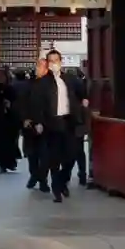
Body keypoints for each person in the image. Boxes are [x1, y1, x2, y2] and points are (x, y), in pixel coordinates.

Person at [30, 49, 86, 203]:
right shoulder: (42, 83)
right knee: (54, 157)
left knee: (71, 154)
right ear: (48, 63)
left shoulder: (70, 79)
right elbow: (36, 104)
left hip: (69, 121)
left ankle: (62, 180)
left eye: (56, 60)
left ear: (61, 62)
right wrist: (38, 122)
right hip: (51, 123)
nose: (54, 64)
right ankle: (56, 189)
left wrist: (83, 101)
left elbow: (82, 92)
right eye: (51, 61)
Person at [20, 57, 49, 190]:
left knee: (45, 155)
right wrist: (25, 118)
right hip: (30, 125)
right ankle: (34, 175)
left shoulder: (51, 84)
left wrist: (43, 122)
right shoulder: (29, 84)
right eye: (38, 66)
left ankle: (42, 180)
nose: (38, 68)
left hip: (47, 125)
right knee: (32, 155)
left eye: (41, 66)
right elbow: (22, 103)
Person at [0, 67, 22, 172]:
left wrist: (10, 106)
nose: (0, 78)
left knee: (10, 142)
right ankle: (2, 163)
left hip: (9, 120)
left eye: (2, 76)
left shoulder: (11, 89)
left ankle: (10, 162)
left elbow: (17, 103)